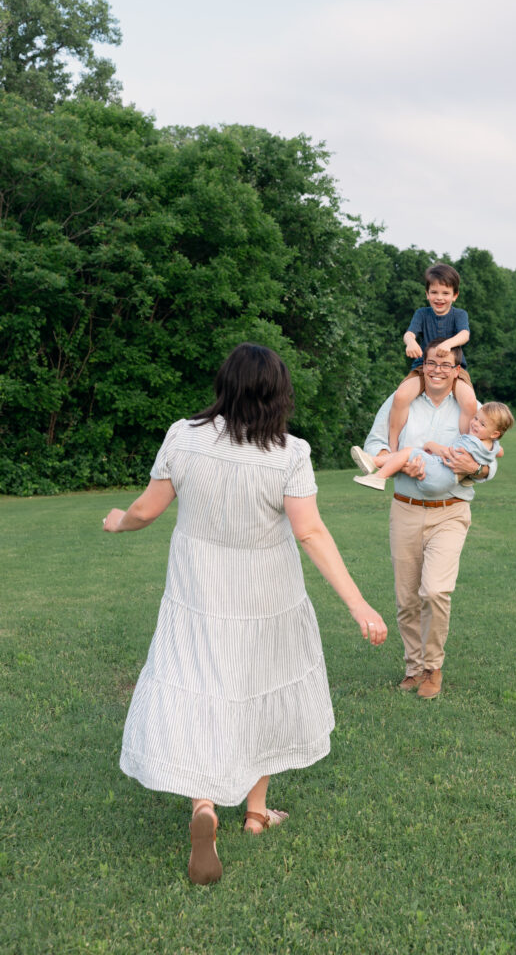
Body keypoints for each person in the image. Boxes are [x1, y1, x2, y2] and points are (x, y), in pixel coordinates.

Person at [103, 343, 387, 886]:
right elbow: (310, 531)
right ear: (279, 393)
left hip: (197, 595)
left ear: (225, 385)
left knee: (199, 689)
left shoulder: (183, 436)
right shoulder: (289, 453)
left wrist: (117, 522)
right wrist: (359, 605)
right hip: (266, 599)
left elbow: (146, 509)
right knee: (263, 691)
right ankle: (256, 815)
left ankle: (204, 804)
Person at [357, 338, 499, 700]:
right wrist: (399, 457)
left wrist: (478, 468)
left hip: (450, 512)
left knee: (435, 591)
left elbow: (492, 457)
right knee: (407, 598)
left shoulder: (472, 408)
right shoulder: (400, 400)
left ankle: (433, 668)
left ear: (457, 371)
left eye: (446, 365)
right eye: (431, 365)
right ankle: (413, 668)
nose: (438, 371)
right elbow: (375, 444)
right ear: (422, 367)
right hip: (404, 507)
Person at [386, 263, 477, 455]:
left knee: (469, 401)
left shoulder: (459, 315)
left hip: (453, 368)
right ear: (427, 294)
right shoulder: (422, 313)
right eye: (434, 292)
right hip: (424, 366)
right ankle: (392, 449)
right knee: (401, 395)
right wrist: (410, 343)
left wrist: (449, 344)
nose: (439, 298)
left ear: (455, 295)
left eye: (445, 293)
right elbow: (409, 334)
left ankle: (468, 451)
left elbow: (465, 335)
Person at [353, 401, 513, 495]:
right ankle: (373, 461)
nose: (475, 423)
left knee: (408, 452)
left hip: (442, 476)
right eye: (476, 418)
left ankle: (378, 475)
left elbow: (450, 455)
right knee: (413, 454)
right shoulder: (491, 444)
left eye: (482, 424)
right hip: (443, 480)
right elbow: (498, 452)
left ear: (495, 433)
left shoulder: (471, 441)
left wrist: (431, 445)